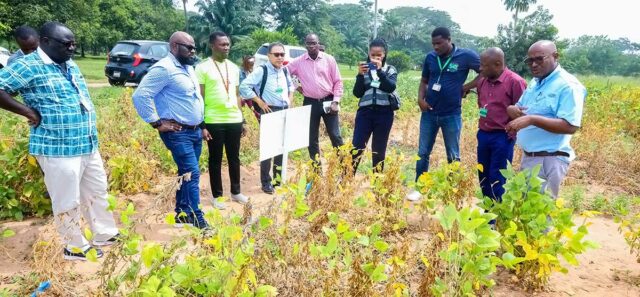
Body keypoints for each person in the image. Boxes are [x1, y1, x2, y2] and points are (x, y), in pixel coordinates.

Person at [0, 22, 118, 260]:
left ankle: (104, 234)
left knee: (97, 191)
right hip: (57, 146)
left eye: (74, 43)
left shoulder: (69, 63)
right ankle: (74, 246)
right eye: (67, 44)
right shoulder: (28, 65)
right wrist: (27, 112)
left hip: (86, 142)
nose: (72, 48)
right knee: (67, 199)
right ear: (45, 42)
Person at [132, 31, 210, 229]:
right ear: (174, 47)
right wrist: (156, 122)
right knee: (191, 173)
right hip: (177, 132)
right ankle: (196, 217)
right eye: (188, 47)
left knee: (186, 173)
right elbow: (141, 95)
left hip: (193, 131)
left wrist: (201, 125)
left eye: (194, 47)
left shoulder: (187, 67)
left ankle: (182, 213)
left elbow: (193, 99)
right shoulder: (164, 69)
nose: (193, 51)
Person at [506, 40, 586, 199]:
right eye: (530, 61)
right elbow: (520, 106)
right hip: (529, 157)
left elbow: (570, 126)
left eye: (539, 59)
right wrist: (512, 109)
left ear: (555, 56)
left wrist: (532, 120)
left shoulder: (568, 86)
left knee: (540, 218)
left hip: (549, 159)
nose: (534, 64)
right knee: (525, 212)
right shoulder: (535, 82)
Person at [407, 27, 480, 201]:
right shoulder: (430, 58)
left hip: (451, 114)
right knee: (423, 151)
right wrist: (420, 99)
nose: (435, 47)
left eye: (439, 43)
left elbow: (484, 72)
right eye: (433, 44)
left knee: (453, 154)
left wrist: (466, 87)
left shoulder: (466, 56)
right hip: (429, 113)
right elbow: (424, 81)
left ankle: (452, 189)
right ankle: (420, 187)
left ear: (449, 40)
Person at [195, 32, 249, 209]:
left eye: (228, 44)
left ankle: (236, 191)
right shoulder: (202, 68)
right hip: (213, 120)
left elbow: (237, 94)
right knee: (215, 159)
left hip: (234, 119)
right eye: (222, 44)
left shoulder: (234, 68)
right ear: (212, 46)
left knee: (234, 157)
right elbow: (200, 97)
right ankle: (217, 196)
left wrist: (242, 120)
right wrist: (202, 124)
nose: (226, 47)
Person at [240, 42, 295, 194]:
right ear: (269, 56)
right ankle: (266, 182)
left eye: (282, 54)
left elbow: (291, 87)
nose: (279, 57)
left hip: (284, 111)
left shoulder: (284, 71)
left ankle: (278, 180)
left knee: (281, 147)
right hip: (270, 111)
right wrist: (259, 101)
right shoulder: (261, 70)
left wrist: (289, 100)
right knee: (268, 148)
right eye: (276, 54)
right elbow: (244, 86)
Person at [475, 47, 527, 203]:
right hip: (484, 134)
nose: (480, 68)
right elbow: (481, 105)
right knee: (483, 174)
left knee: (497, 176)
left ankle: (496, 217)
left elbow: (522, 112)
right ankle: (487, 210)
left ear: (497, 64)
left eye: (484, 65)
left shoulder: (515, 82)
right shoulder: (482, 81)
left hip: (503, 136)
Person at [287, 33, 344, 165]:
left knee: (335, 135)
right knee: (311, 138)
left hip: (329, 101)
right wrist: (296, 86)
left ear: (318, 44)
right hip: (310, 102)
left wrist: (336, 101)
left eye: (314, 43)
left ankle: (344, 168)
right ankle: (316, 171)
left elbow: (338, 81)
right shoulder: (299, 61)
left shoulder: (329, 59)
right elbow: (285, 72)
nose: (311, 46)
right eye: (308, 43)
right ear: (305, 44)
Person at [351, 38, 397, 173]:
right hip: (365, 114)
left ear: (384, 54)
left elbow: (390, 87)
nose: (376, 58)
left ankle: (377, 184)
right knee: (356, 147)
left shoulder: (390, 69)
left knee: (379, 150)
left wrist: (380, 72)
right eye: (373, 55)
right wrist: (360, 75)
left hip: (384, 114)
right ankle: (346, 180)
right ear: (369, 53)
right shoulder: (364, 69)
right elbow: (357, 93)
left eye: (379, 55)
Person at [239, 55, 260, 120]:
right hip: (244, 96)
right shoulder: (240, 72)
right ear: (246, 63)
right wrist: (240, 97)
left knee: (255, 111)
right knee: (249, 112)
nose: (252, 65)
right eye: (251, 64)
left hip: (252, 94)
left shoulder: (252, 71)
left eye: (253, 64)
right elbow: (238, 85)